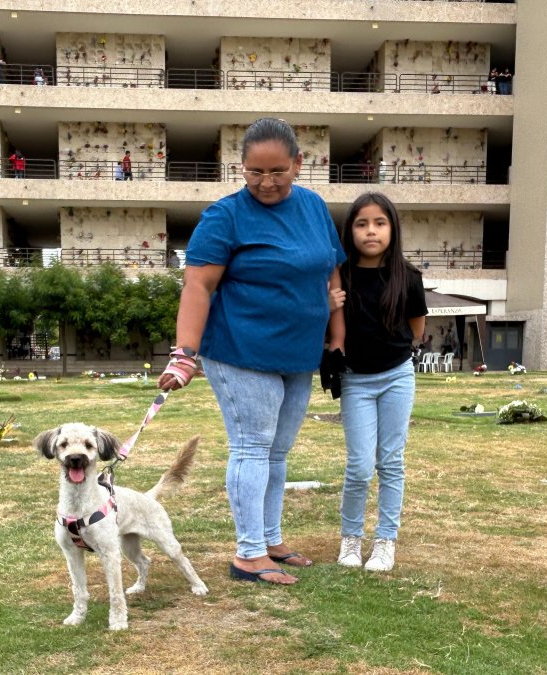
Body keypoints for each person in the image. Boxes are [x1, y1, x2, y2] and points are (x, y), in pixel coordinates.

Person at [158, 118, 345, 586]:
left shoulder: (314, 207)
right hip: (240, 349)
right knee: (253, 447)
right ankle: (248, 555)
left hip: (300, 353)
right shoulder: (225, 216)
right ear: (241, 168)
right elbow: (198, 285)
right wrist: (185, 354)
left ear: (299, 164)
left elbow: (331, 271)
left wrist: (334, 329)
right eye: (254, 173)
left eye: (277, 171)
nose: (265, 182)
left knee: (277, 453)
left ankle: (269, 540)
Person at [333, 193, 427, 573]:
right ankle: (351, 539)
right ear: (350, 230)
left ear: (392, 228)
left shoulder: (409, 278)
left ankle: (385, 541)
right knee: (358, 466)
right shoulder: (340, 276)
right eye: (361, 223)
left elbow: (416, 331)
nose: (371, 231)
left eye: (379, 223)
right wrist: (328, 304)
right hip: (355, 381)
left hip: (397, 377)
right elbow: (329, 330)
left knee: (391, 462)